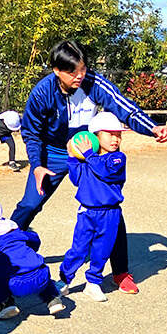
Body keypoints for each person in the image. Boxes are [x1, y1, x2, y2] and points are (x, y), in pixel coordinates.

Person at [10, 39, 167, 294]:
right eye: (72, 71)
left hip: (91, 151)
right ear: (56, 70)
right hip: (53, 153)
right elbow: (31, 133)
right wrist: (37, 166)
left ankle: (120, 272)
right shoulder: (42, 92)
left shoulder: (94, 83)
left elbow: (125, 109)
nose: (79, 75)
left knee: (110, 209)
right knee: (30, 203)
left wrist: (152, 128)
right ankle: (3, 247)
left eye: (82, 68)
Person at [57, 112, 128, 302]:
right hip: (87, 212)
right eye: (110, 134)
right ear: (95, 136)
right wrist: (72, 158)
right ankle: (64, 280)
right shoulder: (87, 160)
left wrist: (88, 155)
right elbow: (77, 179)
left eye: (119, 135)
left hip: (110, 213)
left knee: (102, 249)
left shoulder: (118, 158)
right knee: (78, 248)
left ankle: (93, 283)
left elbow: (105, 171)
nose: (116, 139)